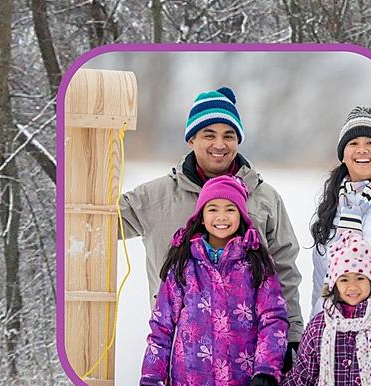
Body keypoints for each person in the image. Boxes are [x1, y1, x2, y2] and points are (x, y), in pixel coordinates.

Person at [119, 86, 304, 367]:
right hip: (182, 354)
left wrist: (291, 335)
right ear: (192, 138)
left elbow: (285, 270)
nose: (220, 144)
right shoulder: (155, 198)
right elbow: (96, 221)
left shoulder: (265, 198)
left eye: (228, 136)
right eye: (209, 135)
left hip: (252, 355)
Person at [140, 176, 289, 386]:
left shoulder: (257, 263)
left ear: (241, 216)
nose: (221, 217)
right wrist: (153, 377)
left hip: (243, 383)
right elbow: (162, 323)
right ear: (201, 217)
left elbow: (273, 318)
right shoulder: (182, 263)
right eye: (212, 209)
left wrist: (266, 371)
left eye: (230, 209)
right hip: (189, 384)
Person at [310, 106, 371, 328]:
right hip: (333, 332)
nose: (362, 150)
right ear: (343, 154)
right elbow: (321, 283)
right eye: (353, 143)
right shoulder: (331, 203)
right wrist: (314, 331)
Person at [281, 231, 371, 386]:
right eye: (344, 279)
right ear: (334, 285)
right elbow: (302, 377)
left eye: (360, 278)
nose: (353, 287)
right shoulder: (318, 326)